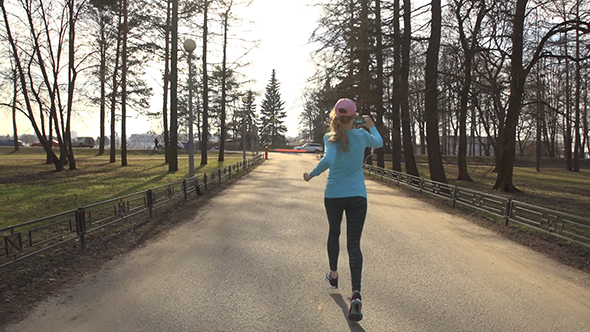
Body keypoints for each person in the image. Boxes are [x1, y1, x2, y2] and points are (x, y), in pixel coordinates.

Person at [303, 98, 383, 322]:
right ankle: (356, 294)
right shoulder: (362, 135)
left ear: (335, 116)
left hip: (334, 195)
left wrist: (312, 174)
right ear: (355, 116)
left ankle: (334, 276)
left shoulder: (329, 137)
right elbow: (379, 143)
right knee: (354, 244)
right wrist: (371, 124)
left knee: (334, 233)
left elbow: (329, 159)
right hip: (358, 195)